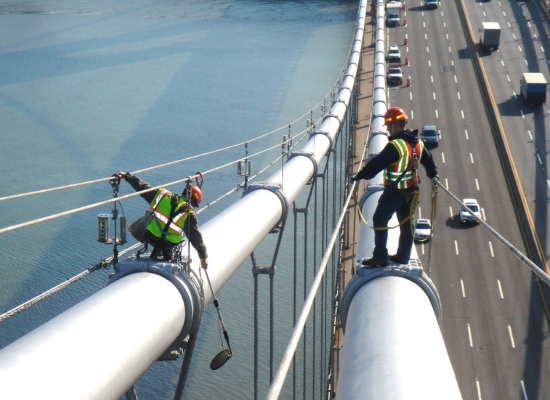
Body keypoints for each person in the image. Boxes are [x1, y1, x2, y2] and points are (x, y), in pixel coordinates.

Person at [352, 107, 438, 266]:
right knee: (407, 224)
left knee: (379, 218)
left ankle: (380, 256)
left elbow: (376, 165)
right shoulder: (417, 143)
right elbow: (429, 162)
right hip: (411, 193)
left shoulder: (395, 146)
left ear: (393, 126)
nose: (388, 130)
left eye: (388, 127)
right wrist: (433, 176)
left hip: (395, 193)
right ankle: (403, 256)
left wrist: (359, 176)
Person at [119, 172, 208, 269]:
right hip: (169, 244)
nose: (194, 208)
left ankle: (158, 252)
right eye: (195, 205)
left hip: (151, 238)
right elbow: (196, 237)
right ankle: (167, 254)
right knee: (171, 241)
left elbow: (143, 188)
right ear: (193, 200)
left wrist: (128, 177)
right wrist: (203, 258)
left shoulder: (163, 195)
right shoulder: (190, 213)